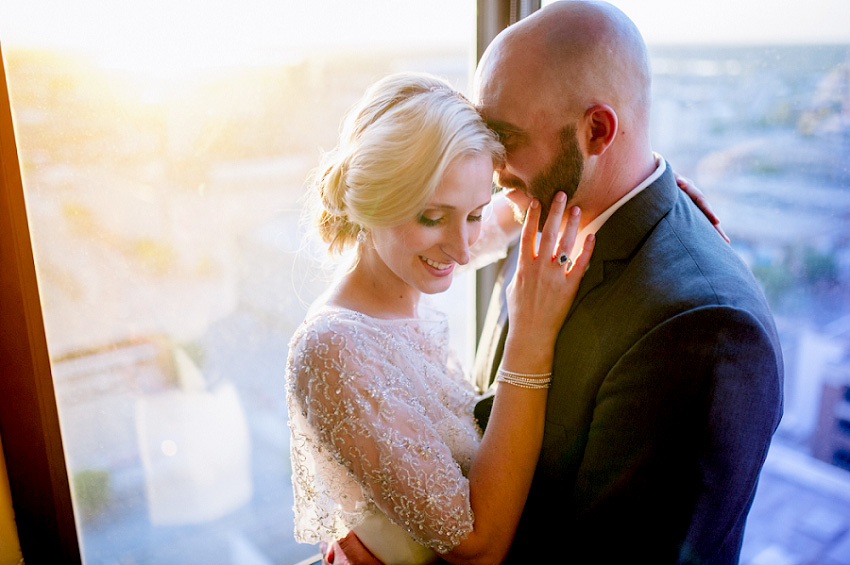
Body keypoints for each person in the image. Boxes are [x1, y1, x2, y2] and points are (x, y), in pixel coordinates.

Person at [469, 1, 784, 563]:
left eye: (504, 137)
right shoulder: (548, 204)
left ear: (597, 130)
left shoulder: (704, 334)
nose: (491, 168)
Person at [286, 71, 596, 565]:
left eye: (474, 213)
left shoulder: (412, 265)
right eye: (433, 217)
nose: (462, 245)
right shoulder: (333, 349)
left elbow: (516, 212)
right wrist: (531, 334)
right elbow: (478, 546)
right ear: (371, 202)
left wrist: (650, 187)